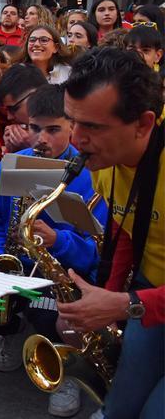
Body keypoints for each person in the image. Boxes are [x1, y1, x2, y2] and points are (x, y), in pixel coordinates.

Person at [0, 85, 105, 417]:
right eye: (34, 128)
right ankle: (12, 328)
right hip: (16, 269)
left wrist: (57, 241)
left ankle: (68, 372)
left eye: (53, 129)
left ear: (73, 127)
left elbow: (98, 253)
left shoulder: (93, 175)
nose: (41, 139)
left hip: (64, 275)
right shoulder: (10, 166)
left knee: (59, 317)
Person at [59, 47, 164, 419]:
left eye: (92, 127)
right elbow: (124, 225)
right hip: (150, 291)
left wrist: (123, 305)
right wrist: (103, 299)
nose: (76, 139)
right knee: (118, 406)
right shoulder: (105, 157)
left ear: (144, 123)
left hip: (147, 298)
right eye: (72, 121)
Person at [0, 63, 47, 153]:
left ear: (35, 96)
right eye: (6, 110)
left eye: (13, 109)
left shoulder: (69, 125)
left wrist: (33, 149)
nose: (9, 117)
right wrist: (12, 152)